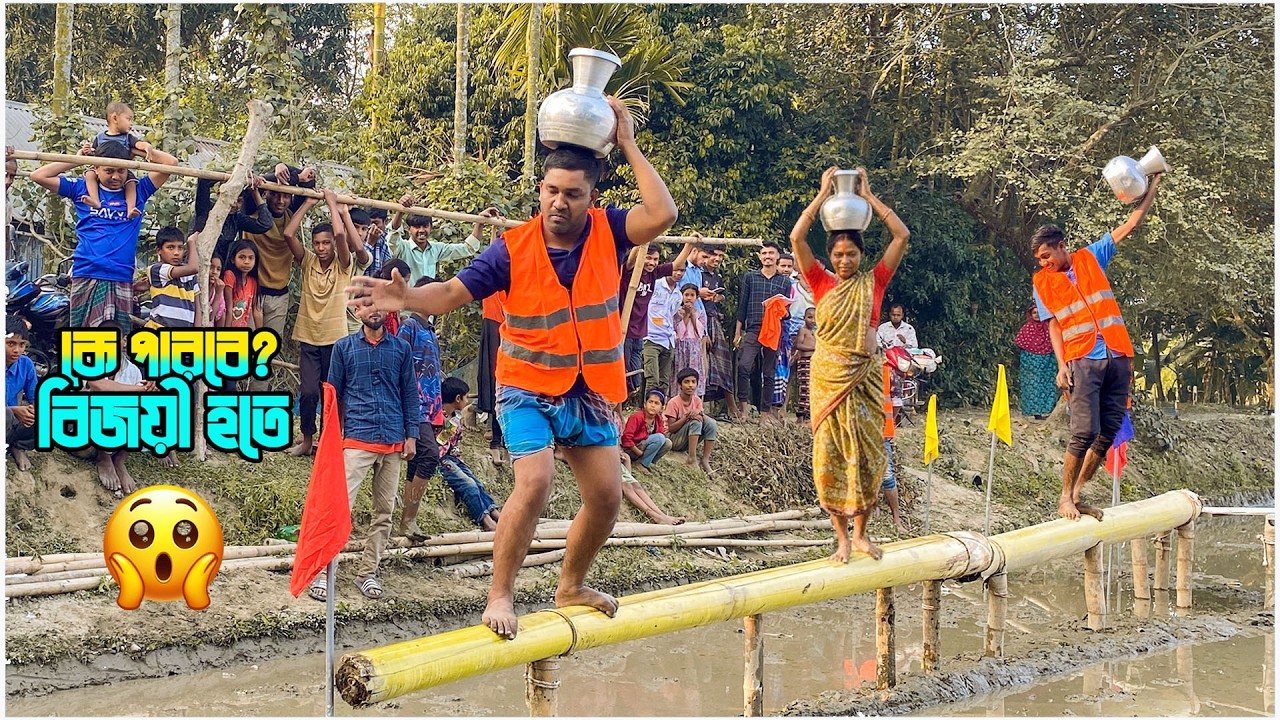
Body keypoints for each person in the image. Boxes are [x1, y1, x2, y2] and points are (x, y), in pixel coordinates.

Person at [347, 95, 678, 640]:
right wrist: (403, 299)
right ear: (540, 192)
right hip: (525, 388)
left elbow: (662, 214)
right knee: (537, 482)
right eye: (551, 192)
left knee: (607, 497)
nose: (559, 203)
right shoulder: (510, 249)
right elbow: (450, 293)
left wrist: (628, 144)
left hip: (589, 390)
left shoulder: (611, 230)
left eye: (573, 194)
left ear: (592, 197)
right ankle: (499, 593)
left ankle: (570, 584)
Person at [789, 166, 910, 562]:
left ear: (861, 255)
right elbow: (796, 237)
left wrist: (869, 196)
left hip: (866, 379)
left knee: (870, 453)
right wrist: (823, 195)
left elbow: (901, 236)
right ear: (830, 257)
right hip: (829, 380)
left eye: (851, 254)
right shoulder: (820, 282)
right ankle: (840, 538)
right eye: (838, 254)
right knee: (831, 456)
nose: (844, 260)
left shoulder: (874, 281)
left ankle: (861, 534)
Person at [1031, 171, 1161, 522]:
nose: (1044, 263)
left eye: (1047, 255)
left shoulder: (1091, 257)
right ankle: (1064, 498)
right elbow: (1054, 325)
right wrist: (1061, 366)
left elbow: (1131, 222)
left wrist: (1153, 185)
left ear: (1062, 246)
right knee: (1084, 431)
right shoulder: (1042, 283)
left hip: (1118, 354)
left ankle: (1076, 495)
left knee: (1108, 433)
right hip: (1082, 358)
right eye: (1040, 259)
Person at [29, 138, 178, 333]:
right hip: (86, 272)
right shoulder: (82, 188)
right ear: (96, 168)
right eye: (109, 170)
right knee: (83, 338)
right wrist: (79, 159)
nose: (116, 176)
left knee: (117, 340)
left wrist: (136, 152)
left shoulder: (138, 191)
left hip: (121, 275)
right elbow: (38, 175)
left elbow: (171, 164)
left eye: (121, 170)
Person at [323, 306, 419, 600]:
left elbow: (409, 394)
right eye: (367, 305)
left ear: (388, 310)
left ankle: (367, 573)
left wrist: (411, 435)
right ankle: (324, 574)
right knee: (339, 510)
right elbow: (333, 393)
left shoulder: (401, 349)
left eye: (378, 305)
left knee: (384, 514)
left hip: (392, 439)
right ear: (356, 310)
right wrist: (329, 439)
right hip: (357, 438)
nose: (373, 311)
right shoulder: (343, 348)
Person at [283, 189, 354, 457]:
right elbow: (289, 234)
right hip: (309, 337)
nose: (322, 248)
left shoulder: (343, 265)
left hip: (335, 339)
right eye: (317, 243)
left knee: (331, 395)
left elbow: (340, 235)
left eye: (326, 243)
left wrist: (333, 205)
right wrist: (308, 204)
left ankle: (327, 442)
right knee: (309, 391)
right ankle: (306, 439)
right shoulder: (308, 261)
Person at [241, 162, 318, 388]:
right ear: (266, 194)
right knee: (242, 350)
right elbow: (248, 183)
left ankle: (257, 407)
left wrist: (292, 171)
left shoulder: (291, 214)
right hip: (250, 292)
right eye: (275, 196)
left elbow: (310, 183)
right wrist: (276, 170)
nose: (281, 201)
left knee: (266, 356)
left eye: (285, 197)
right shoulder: (253, 210)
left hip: (278, 296)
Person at [397, 275, 448, 541]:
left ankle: (408, 522)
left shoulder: (429, 331)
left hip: (429, 407)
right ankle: (409, 519)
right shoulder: (409, 327)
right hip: (413, 404)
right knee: (429, 454)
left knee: (419, 458)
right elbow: (400, 365)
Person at [620, 240, 694, 398]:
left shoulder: (653, 274)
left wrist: (688, 244)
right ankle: (616, 415)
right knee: (621, 375)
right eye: (648, 258)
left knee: (634, 381)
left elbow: (677, 265)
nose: (652, 262)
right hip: (623, 331)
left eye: (655, 259)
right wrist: (642, 238)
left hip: (639, 333)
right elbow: (632, 259)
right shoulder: (630, 272)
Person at [733, 242, 792, 425]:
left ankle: (764, 414)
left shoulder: (785, 281)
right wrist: (737, 333)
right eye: (764, 253)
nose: (767, 256)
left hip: (774, 330)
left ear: (777, 257)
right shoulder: (750, 277)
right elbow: (742, 306)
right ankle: (743, 408)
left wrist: (783, 310)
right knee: (743, 366)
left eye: (771, 253)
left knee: (769, 372)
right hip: (753, 329)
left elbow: (787, 312)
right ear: (760, 257)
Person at [436, 376, 503, 531]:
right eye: (465, 396)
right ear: (458, 398)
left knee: (477, 483)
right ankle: (485, 520)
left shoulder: (456, 419)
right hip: (439, 459)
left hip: (452, 457)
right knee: (469, 485)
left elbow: (455, 441)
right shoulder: (437, 417)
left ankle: (494, 511)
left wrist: (458, 456)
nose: (467, 400)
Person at [388, 194, 498, 284]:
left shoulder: (436, 249)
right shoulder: (403, 248)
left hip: (429, 307)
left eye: (425, 226)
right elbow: (393, 236)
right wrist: (400, 210)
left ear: (431, 227)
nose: (421, 230)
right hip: (407, 308)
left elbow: (467, 248)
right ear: (409, 229)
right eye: (417, 227)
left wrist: (480, 222)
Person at [79, 101, 154, 218]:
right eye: (129, 119)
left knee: (131, 183)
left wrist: (146, 146)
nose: (131, 124)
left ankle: (130, 208)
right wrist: (88, 151)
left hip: (122, 169)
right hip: (104, 170)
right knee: (89, 174)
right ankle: (94, 199)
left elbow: (138, 144)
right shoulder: (100, 137)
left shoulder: (128, 138)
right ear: (115, 118)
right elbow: (95, 153)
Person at [612, 404, 684, 526]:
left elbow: (617, 443)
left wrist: (625, 458)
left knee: (636, 485)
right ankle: (653, 515)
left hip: (617, 459)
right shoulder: (635, 417)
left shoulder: (616, 419)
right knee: (627, 486)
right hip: (608, 460)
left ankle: (661, 514)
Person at [189, 175, 274, 268]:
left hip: (218, 271)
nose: (234, 204)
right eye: (231, 198)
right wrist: (238, 174)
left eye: (239, 201)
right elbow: (204, 180)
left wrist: (255, 193)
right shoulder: (205, 209)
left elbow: (265, 224)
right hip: (195, 268)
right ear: (219, 194)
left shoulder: (236, 219)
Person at [699, 244, 735, 415]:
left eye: (721, 256)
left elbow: (721, 296)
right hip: (697, 321)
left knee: (722, 361)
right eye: (715, 255)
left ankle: (730, 407)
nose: (717, 259)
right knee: (700, 362)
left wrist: (717, 296)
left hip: (713, 319)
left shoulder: (717, 277)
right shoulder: (696, 272)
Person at [664, 367, 718, 474]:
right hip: (673, 440)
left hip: (686, 439)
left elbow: (704, 419)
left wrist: (700, 413)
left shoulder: (697, 400)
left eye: (693, 382)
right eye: (686, 382)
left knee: (711, 423)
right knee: (695, 421)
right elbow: (671, 428)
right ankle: (691, 458)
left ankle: (705, 459)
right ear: (680, 385)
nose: (690, 385)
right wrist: (686, 417)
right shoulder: (674, 402)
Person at [144, 227, 200, 329]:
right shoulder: (157, 269)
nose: (176, 253)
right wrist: (191, 243)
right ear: (159, 250)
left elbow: (197, 308)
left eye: (180, 248)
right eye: (170, 247)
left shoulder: (190, 276)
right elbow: (194, 268)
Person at [643, 264, 684, 395]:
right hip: (650, 337)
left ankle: (659, 413)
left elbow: (672, 316)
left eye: (682, 271)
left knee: (664, 381)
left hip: (668, 339)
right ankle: (647, 412)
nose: (679, 273)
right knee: (652, 379)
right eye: (676, 269)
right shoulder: (654, 284)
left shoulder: (678, 294)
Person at [1015, 304, 1058, 419]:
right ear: (1030, 314)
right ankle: (1036, 413)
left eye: (1039, 312)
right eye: (1034, 312)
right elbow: (1019, 343)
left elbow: (1055, 343)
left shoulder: (1049, 328)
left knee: (1048, 384)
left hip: (1048, 363)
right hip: (1031, 364)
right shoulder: (1027, 328)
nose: (1037, 314)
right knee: (1033, 386)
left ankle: (1048, 410)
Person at [879, 364, 908, 535]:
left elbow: (897, 401)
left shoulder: (887, 371)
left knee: (886, 475)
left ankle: (896, 518)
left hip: (879, 431)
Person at [6, 322, 38, 471]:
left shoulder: (26, 364)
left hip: (12, 423)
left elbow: (35, 398)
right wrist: (14, 410)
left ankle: (18, 446)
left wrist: (33, 411)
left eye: (22, 344)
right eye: (11, 343)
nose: (17, 350)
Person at [670, 282, 707, 397]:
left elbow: (700, 332)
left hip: (694, 348)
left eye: (692, 295)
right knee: (680, 371)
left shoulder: (700, 313)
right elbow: (679, 333)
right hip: (680, 347)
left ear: (696, 297)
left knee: (693, 371)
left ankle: (694, 401)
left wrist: (692, 315)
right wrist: (686, 315)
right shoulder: (677, 313)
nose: (689, 298)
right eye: (686, 295)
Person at [621, 389, 672, 473]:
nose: (652, 405)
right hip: (633, 449)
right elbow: (626, 438)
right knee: (659, 438)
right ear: (645, 404)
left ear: (662, 408)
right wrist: (637, 451)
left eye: (656, 403)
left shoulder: (658, 418)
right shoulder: (637, 417)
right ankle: (641, 463)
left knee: (667, 443)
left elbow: (660, 433)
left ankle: (647, 462)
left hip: (644, 446)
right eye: (650, 402)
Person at [222, 239, 262, 330]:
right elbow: (228, 308)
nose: (246, 262)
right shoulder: (230, 276)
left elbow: (257, 311)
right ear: (233, 259)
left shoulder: (253, 282)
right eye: (242, 257)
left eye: (251, 258)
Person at [792, 306, 817, 422]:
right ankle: (800, 415)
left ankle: (808, 415)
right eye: (809, 317)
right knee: (805, 388)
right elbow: (798, 345)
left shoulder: (814, 332)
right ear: (804, 318)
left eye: (815, 318)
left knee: (812, 389)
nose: (812, 320)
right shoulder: (803, 330)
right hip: (804, 362)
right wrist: (813, 348)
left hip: (813, 363)